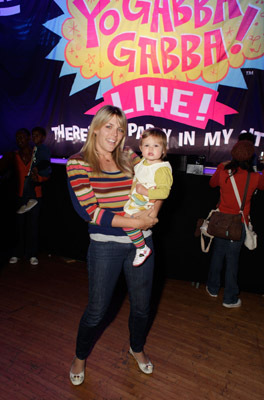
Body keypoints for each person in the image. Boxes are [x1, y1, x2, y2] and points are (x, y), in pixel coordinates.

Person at [66, 105, 161, 386]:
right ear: (96, 127)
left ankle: (137, 347)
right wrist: (135, 223)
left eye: (120, 128)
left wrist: (153, 212)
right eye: (109, 126)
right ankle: (80, 356)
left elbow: (157, 183)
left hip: (142, 243)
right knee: (97, 311)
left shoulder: (130, 156)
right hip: (105, 245)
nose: (115, 133)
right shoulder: (78, 162)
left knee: (142, 308)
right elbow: (90, 213)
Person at [206, 140, 264, 308]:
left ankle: (212, 288)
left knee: (217, 256)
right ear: (250, 157)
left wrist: (219, 166)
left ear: (233, 154)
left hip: (220, 222)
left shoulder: (224, 171)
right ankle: (229, 298)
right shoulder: (253, 177)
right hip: (238, 224)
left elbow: (212, 184)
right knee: (232, 261)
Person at [123, 128, 173, 266]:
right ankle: (139, 246)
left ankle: (142, 248)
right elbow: (137, 179)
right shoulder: (142, 162)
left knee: (126, 223)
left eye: (156, 145)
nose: (150, 149)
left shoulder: (161, 168)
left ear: (164, 150)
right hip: (136, 201)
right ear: (140, 147)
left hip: (145, 204)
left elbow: (164, 193)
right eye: (146, 145)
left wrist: (145, 191)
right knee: (127, 222)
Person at [6, 128, 50, 266]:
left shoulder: (36, 153)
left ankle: (32, 254)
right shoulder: (14, 155)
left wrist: (38, 178)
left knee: (33, 226)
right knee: (19, 226)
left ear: (28, 139)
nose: (20, 140)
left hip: (35, 195)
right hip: (20, 195)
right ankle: (17, 253)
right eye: (17, 138)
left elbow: (46, 173)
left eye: (22, 137)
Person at [17, 126, 51, 214]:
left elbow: (46, 162)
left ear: (43, 137)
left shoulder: (43, 148)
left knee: (29, 181)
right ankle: (27, 202)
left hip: (42, 173)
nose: (34, 137)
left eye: (37, 135)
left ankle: (32, 199)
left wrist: (36, 169)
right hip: (35, 174)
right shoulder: (35, 148)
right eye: (33, 135)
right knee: (27, 182)